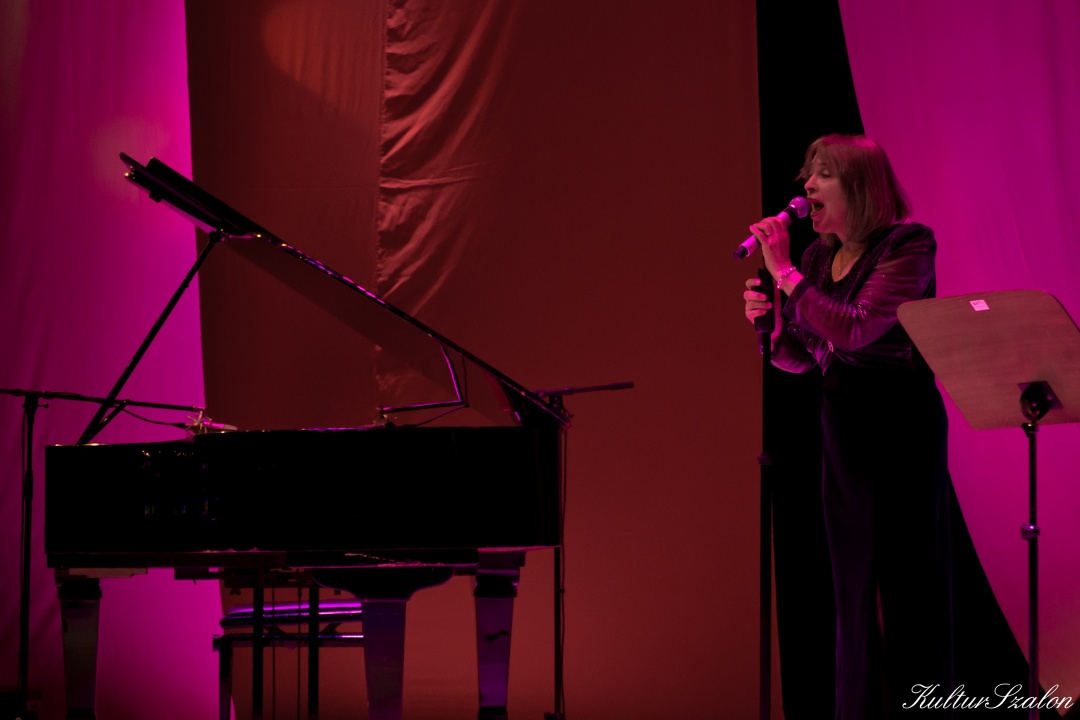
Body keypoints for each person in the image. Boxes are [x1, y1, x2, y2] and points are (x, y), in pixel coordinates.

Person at [743, 134, 953, 717]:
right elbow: (808, 357)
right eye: (807, 173)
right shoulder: (817, 258)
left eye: (823, 174)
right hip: (845, 430)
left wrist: (784, 274)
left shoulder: (907, 244)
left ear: (859, 186)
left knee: (905, 584)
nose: (806, 185)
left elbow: (856, 330)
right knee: (854, 589)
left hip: (899, 428)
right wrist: (770, 330)